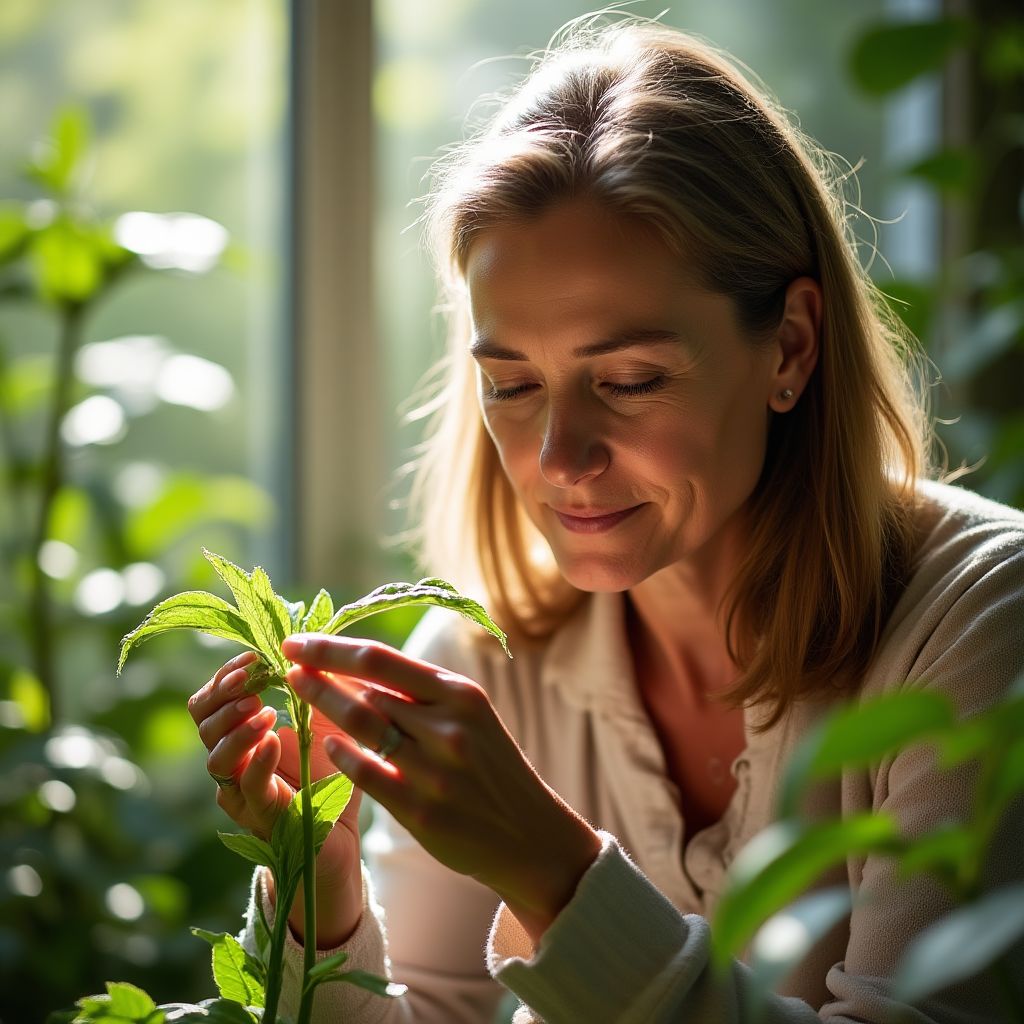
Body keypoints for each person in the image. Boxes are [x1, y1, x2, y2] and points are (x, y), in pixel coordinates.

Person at [187, 15, 1024, 1023]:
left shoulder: (982, 622)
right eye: (513, 386)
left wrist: (555, 873)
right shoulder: (489, 656)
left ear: (791, 346)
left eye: (628, 380)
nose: (558, 459)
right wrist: (318, 881)